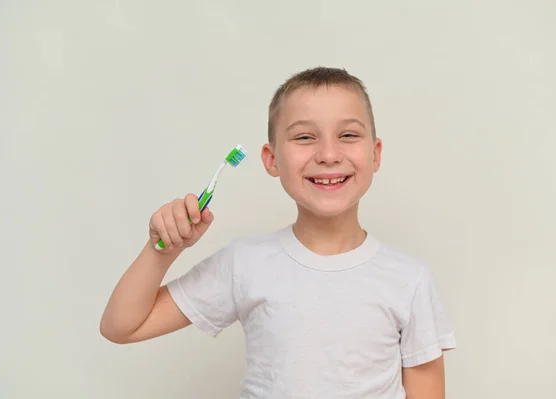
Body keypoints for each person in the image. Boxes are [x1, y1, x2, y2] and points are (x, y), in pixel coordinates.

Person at [100, 66, 456, 398]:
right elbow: (122, 327)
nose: (328, 154)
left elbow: (426, 387)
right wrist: (161, 251)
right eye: (304, 137)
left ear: (375, 154)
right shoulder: (245, 263)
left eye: (348, 135)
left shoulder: (409, 280)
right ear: (272, 160)